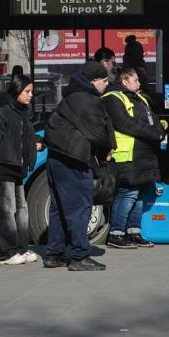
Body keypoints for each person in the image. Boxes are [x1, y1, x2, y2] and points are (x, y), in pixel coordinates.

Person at [43, 60, 115, 271]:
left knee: (58, 208)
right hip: (73, 159)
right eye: (104, 80)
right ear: (93, 81)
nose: (107, 84)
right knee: (79, 208)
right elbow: (99, 134)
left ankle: (54, 254)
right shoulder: (88, 100)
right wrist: (106, 153)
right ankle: (79, 256)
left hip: (56, 157)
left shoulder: (72, 96)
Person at [0, 73, 43, 265]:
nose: (31, 95)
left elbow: (24, 138)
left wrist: (37, 144)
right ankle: (5, 254)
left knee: (20, 211)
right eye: (27, 91)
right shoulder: (1, 113)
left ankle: (20, 249)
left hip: (17, 168)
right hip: (1, 169)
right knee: (5, 211)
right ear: (16, 91)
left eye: (31, 91)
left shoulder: (23, 112)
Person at [102, 67, 165, 249]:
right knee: (128, 194)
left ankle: (133, 231)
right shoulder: (113, 98)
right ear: (124, 81)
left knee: (140, 195)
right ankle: (116, 233)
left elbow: (155, 119)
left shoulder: (141, 98)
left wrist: (159, 131)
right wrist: (153, 134)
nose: (139, 83)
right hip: (127, 155)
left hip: (143, 155)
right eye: (135, 80)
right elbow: (125, 124)